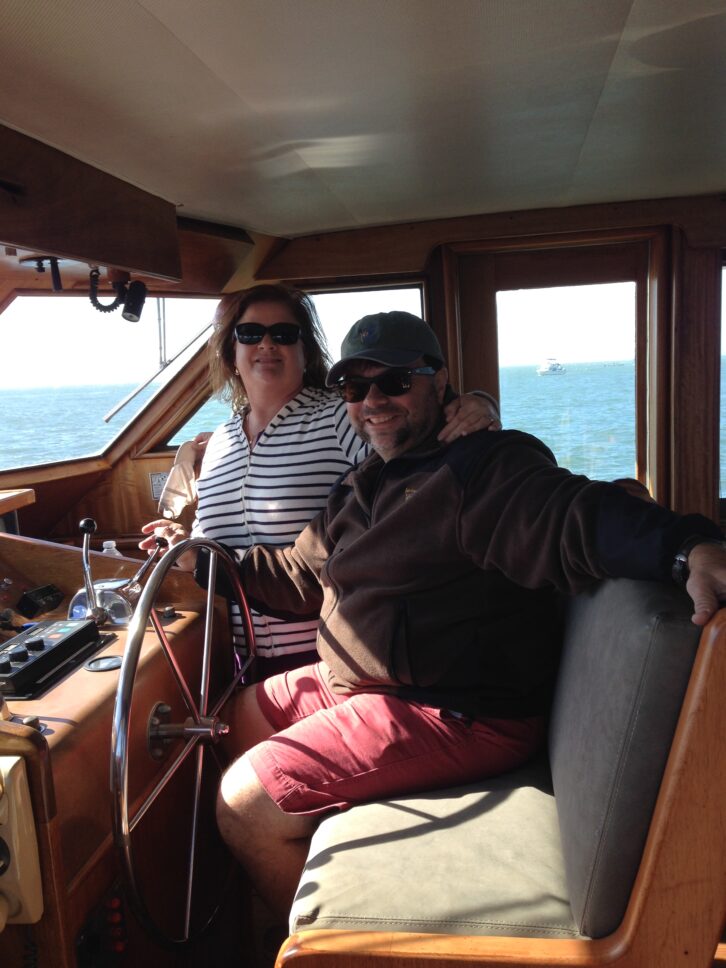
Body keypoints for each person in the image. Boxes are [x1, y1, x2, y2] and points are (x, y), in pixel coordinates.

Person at [206, 309, 726, 918]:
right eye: (355, 386)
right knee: (236, 714)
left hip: (453, 708)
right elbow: (297, 572)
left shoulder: (482, 468)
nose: (374, 400)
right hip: (365, 683)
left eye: (395, 381)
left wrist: (688, 544)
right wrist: (208, 566)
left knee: (243, 802)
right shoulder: (364, 484)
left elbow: (571, 514)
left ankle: (309, 947)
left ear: (439, 382)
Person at [140, 285, 501, 676]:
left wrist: (476, 403)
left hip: (328, 657)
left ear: (305, 350)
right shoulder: (218, 442)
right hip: (231, 658)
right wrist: (180, 542)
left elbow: (418, 440)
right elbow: (207, 542)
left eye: (283, 334)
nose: (266, 344)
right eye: (250, 334)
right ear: (231, 351)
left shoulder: (339, 416)